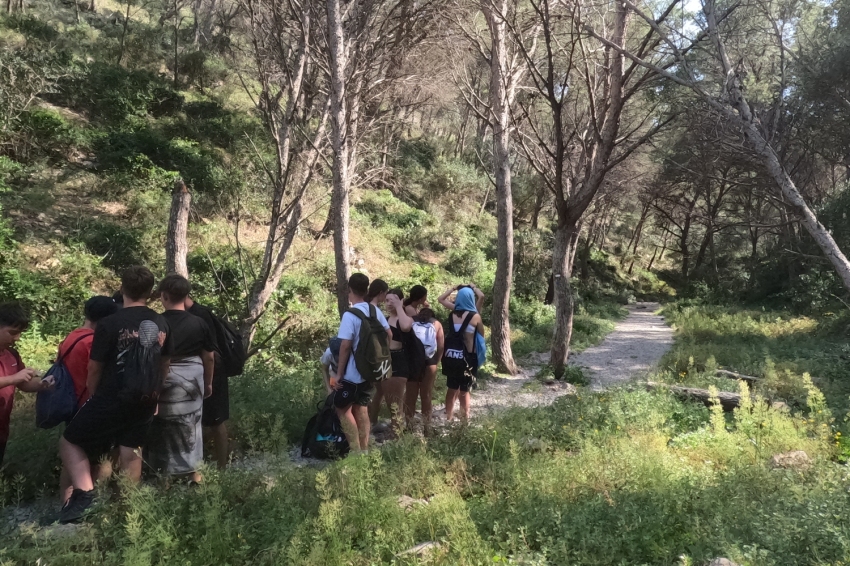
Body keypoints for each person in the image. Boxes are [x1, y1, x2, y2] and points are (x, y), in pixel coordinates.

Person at [58, 266, 172, 524]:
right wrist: (156, 393)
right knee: (131, 453)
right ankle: (127, 511)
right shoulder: (162, 321)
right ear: (152, 293)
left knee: (69, 442)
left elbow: (95, 366)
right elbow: (165, 364)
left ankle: (85, 494)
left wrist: (94, 395)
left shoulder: (109, 323)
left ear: (122, 289)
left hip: (113, 396)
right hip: (147, 397)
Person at [147, 274, 215, 483]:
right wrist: (209, 382)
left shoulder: (156, 322)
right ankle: (195, 476)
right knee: (192, 426)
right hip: (193, 378)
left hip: (163, 379)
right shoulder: (199, 322)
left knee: (163, 427)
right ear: (186, 296)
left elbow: (150, 356)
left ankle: (164, 478)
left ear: (163, 296)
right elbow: (209, 357)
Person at [56, 296, 119, 505]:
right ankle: (94, 503)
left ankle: (66, 503)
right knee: (101, 457)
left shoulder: (71, 337)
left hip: (72, 404)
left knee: (72, 458)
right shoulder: (93, 341)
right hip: (90, 404)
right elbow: (98, 371)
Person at [331, 273, 390, 452]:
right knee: (361, 407)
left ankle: (355, 451)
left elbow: (345, 346)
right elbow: (389, 335)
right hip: (370, 371)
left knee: (341, 408)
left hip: (352, 374)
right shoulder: (374, 310)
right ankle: (363, 450)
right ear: (366, 289)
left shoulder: (351, 315)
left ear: (350, 289)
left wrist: (338, 373)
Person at [0, 302, 52, 466]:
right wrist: (14, 378)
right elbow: (16, 379)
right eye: (12, 332)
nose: (16, 338)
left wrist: (43, 384)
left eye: (20, 333)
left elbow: (24, 384)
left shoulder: (12, 354)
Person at [184, 296, 230, 470]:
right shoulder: (193, 313)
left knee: (217, 421)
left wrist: (209, 382)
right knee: (200, 421)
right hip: (200, 373)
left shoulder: (200, 314)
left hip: (212, 372)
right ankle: (199, 465)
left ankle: (222, 467)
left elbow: (209, 353)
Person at [369, 289, 412, 435]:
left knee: (395, 403)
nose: (389, 303)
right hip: (383, 361)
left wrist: (399, 306)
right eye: (386, 300)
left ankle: (397, 437)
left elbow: (406, 327)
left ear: (400, 300)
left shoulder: (405, 318)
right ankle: (374, 424)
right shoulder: (385, 319)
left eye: (392, 300)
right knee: (385, 398)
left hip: (398, 362)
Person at [439, 286, 486, 421]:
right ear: (471, 298)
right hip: (468, 357)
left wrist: (453, 288)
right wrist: (474, 287)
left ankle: (449, 417)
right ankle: (464, 419)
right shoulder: (475, 316)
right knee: (464, 390)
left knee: (451, 387)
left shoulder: (452, 314)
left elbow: (441, 299)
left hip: (452, 355)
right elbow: (481, 334)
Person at [403, 307, 443, 433]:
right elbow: (441, 346)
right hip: (429, 362)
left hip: (413, 361)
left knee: (410, 396)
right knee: (426, 395)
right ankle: (427, 427)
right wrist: (436, 361)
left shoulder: (410, 321)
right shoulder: (436, 324)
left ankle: (409, 426)